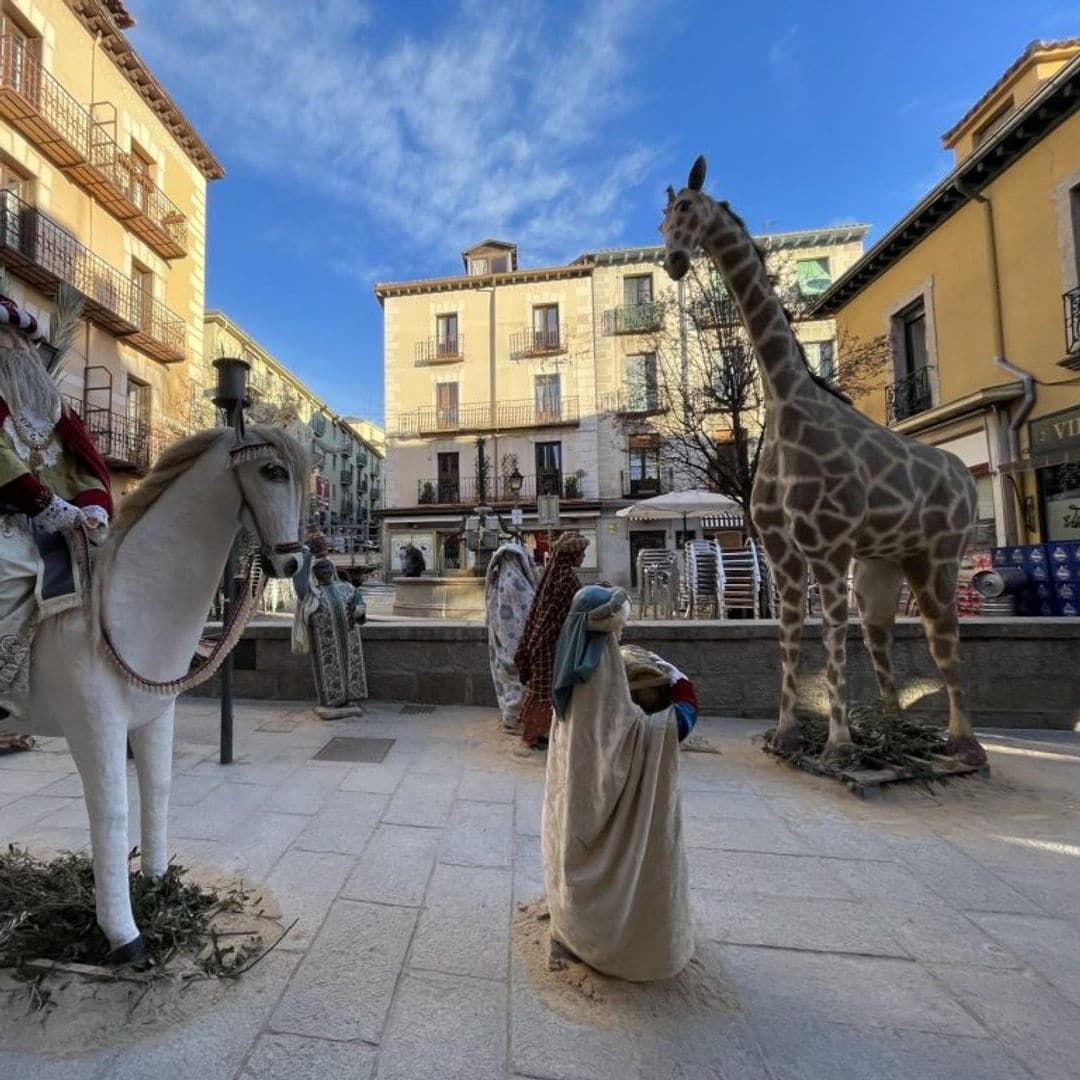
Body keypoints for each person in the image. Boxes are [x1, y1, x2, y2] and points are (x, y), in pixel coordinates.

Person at [543, 585, 694, 981]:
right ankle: (612, 945)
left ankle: (574, 926)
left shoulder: (572, 673)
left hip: (576, 811)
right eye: (616, 632)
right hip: (596, 811)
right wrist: (685, 698)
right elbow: (636, 742)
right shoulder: (601, 683)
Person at [0, 296, 111, 713]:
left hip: (65, 522)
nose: (17, 349)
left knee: (115, 566)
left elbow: (82, 464)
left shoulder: (54, 410)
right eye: (6, 338)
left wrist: (93, 505)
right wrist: (42, 502)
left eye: (22, 340)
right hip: (8, 519)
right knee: (10, 569)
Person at [513, 531, 588, 748]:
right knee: (544, 691)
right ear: (571, 555)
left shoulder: (552, 573)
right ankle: (534, 734)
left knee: (538, 689)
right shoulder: (567, 578)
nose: (583, 557)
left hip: (540, 641)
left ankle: (535, 731)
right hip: (550, 643)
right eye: (581, 553)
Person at [292, 540, 368, 719]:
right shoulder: (312, 594)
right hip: (326, 643)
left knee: (351, 669)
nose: (325, 572)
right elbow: (300, 585)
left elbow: (361, 603)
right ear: (315, 574)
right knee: (329, 672)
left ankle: (349, 699)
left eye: (327, 569)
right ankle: (330, 702)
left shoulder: (347, 588)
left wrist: (358, 610)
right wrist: (305, 555)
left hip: (349, 639)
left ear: (333, 571)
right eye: (320, 570)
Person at [484, 542, 538, 732]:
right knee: (519, 680)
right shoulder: (515, 581)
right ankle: (518, 718)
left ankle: (511, 715)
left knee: (509, 680)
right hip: (515, 641)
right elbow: (527, 609)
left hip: (502, 639)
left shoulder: (499, 579)